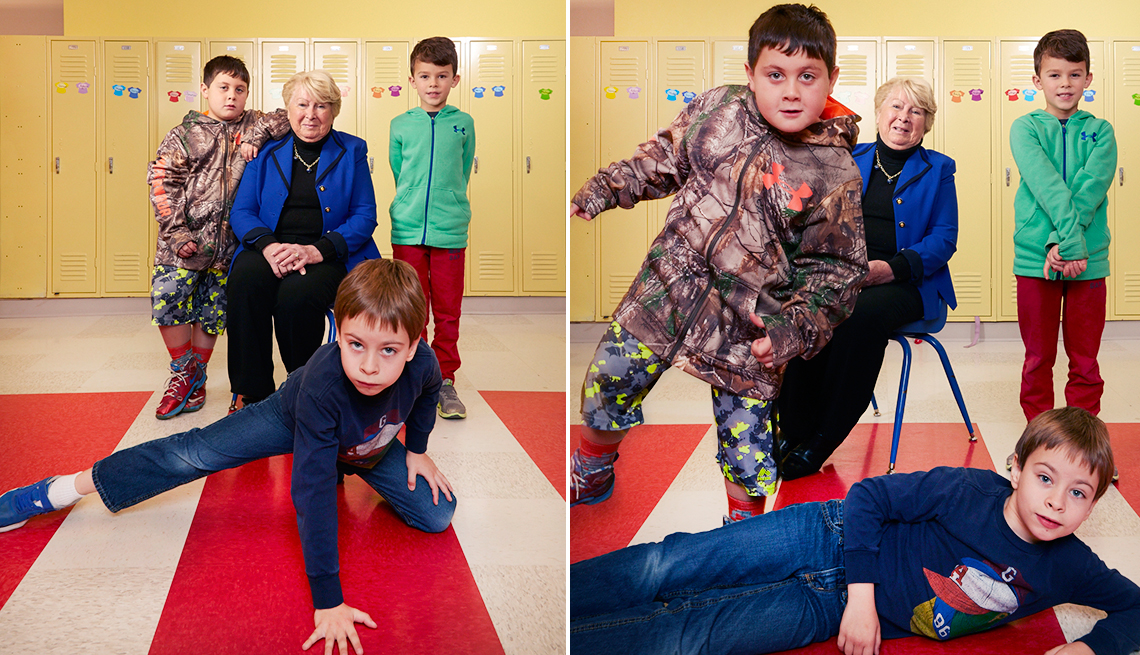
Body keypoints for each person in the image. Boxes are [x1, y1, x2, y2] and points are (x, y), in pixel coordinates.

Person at [0, 258, 456, 655]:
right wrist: (328, 600)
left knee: (438, 514)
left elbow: (427, 392)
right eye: (356, 344)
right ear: (337, 331)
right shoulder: (324, 382)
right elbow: (312, 493)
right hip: (295, 419)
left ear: (414, 346)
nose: (370, 366)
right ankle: (59, 489)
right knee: (193, 453)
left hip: (362, 447)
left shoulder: (423, 366)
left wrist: (417, 451)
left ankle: (349, 457)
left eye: (389, 350)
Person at [568, 4, 867, 522]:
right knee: (608, 380)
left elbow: (837, 272)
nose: (791, 91)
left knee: (748, 447)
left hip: (753, 322)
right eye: (775, 75)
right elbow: (663, 159)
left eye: (807, 77)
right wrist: (605, 188)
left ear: (832, 79)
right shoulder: (719, 110)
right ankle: (593, 471)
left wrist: (793, 329)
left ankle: (743, 532)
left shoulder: (834, 171)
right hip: (667, 287)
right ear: (750, 75)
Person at [570, 407, 1140, 655]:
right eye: (1045, 477)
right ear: (1015, 468)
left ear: (1095, 503)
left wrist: (1092, 649)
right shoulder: (968, 489)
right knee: (668, 565)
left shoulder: (1070, 565)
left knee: (686, 638)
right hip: (824, 535)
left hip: (822, 611)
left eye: (1079, 493)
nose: (1056, 502)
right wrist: (864, 600)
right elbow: (869, 496)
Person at [776, 77, 958, 480]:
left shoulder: (939, 169)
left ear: (927, 123)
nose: (903, 118)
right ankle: (792, 427)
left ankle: (825, 436)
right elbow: (809, 210)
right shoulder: (847, 156)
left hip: (905, 282)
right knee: (807, 309)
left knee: (858, 316)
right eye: (896, 107)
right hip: (841, 275)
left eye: (916, 111)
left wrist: (891, 268)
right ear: (878, 113)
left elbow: (944, 238)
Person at [227, 69, 381, 412]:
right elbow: (242, 211)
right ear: (288, 108)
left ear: (334, 111)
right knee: (245, 281)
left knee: (297, 296)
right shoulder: (265, 150)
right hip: (270, 245)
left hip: (326, 251)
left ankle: (303, 392)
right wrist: (269, 246)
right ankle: (252, 392)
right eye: (302, 104)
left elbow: (364, 216)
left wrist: (314, 251)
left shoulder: (352, 149)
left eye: (322, 106)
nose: (311, 114)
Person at [147, 55, 290, 419]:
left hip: (229, 247)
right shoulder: (184, 135)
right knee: (170, 301)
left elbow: (292, 115)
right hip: (181, 244)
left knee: (212, 312)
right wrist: (177, 233)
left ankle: (197, 378)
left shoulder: (254, 123)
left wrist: (256, 135)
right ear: (205, 90)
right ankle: (184, 371)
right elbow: (162, 183)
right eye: (223, 88)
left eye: (240, 90)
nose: (232, 96)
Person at [1011, 30, 1116, 425]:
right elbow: (1048, 187)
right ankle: (1037, 441)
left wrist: (1067, 245)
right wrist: (1062, 245)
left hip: (1087, 260)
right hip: (1037, 259)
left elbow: (1089, 190)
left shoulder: (1102, 131)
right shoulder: (1026, 128)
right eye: (1054, 75)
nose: (1065, 84)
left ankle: (1082, 446)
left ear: (1088, 78)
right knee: (1038, 359)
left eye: (1075, 74)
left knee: (1085, 360)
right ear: (1037, 80)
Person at [389, 37, 476, 420]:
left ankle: (444, 379)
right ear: (412, 80)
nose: (433, 84)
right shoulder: (400, 125)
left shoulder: (464, 123)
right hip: (407, 231)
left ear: (455, 79)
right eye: (425, 76)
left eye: (442, 76)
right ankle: (414, 375)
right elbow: (398, 170)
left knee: (447, 309)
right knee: (412, 309)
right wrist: (410, 199)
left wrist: (449, 203)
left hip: (450, 230)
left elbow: (463, 168)